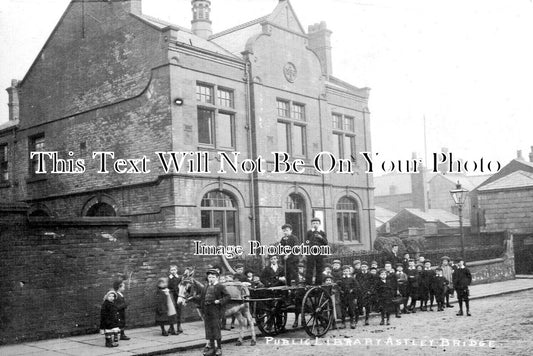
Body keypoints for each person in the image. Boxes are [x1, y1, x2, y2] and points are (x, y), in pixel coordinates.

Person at [200, 269, 231, 356]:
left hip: (216, 310)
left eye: (213, 277)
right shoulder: (205, 287)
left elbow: (228, 296)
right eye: (209, 277)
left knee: (216, 329)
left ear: (217, 277)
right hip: (207, 310)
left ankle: (219, 348)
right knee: (209, 329)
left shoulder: (220, 286)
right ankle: (212, 348)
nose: (211, 279)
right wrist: (202, 310)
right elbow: (202, 299)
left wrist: (220, 301)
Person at [304, 217, 328, 285]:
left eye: (317, 223)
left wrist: (321, 238)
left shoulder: (322, 232)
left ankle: (318, 283)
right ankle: (308, 283)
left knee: (319, 268)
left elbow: (326, 243)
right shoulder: (309, 232)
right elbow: (306, 242)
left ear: (319, 224)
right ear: (311, 224)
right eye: (313, 223)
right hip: (311, 252)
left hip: (319, 252)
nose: (315, 224)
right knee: (309, 268)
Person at [337, 265, 359, 329]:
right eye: (344, 271)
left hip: (350, 297)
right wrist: (340, 290)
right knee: (343, 310)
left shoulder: (352, 279)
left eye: (347, 271)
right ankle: (343, 323)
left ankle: (352, 322)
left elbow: (357, 287)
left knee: (351, 310)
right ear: (342, 272)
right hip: (343, 297)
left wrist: (352, 290)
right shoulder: (340, 279)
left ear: (349, 272)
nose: (345, 272)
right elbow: (337, 286)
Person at [167, 265, 183, 334]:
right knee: (171, 311)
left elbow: (182, 287)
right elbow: (166, 287)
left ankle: (179, 325)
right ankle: (171, 326)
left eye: (174, 270)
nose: (173, 271)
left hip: (178, 296)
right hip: (171, 296)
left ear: (177, 270)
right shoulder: (168, 279)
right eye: (172, 270)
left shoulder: (180, 278)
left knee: (179, 310)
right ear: (169, 271)